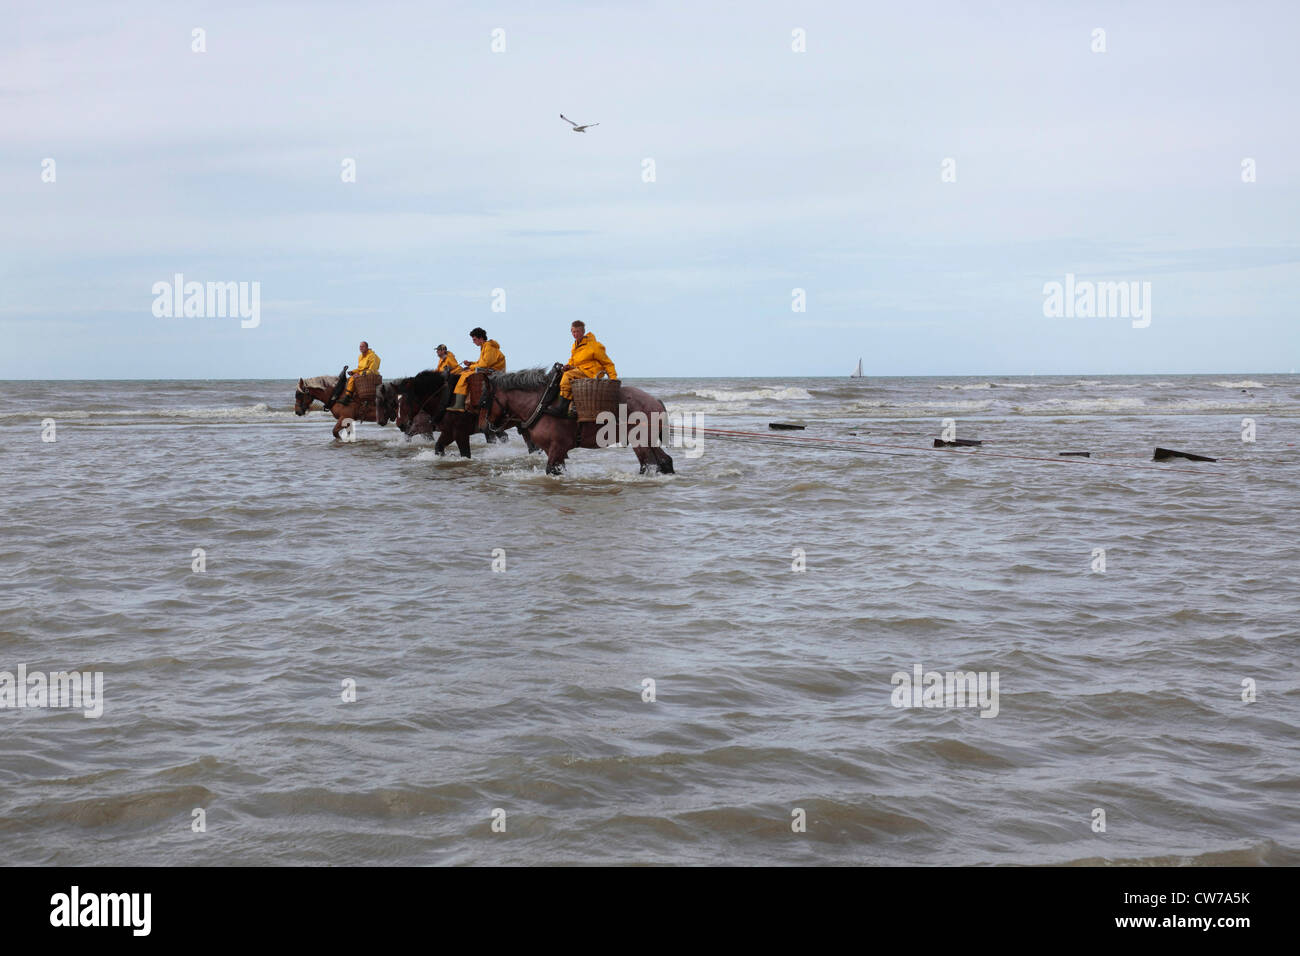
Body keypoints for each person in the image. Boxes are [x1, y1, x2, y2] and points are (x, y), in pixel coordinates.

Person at [545, 320, 616, 417]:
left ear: (583, 332)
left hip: (591, 372)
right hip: (579, 371)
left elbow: (608, 363)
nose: (575, 334)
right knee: (559, 374)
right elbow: (573, 361)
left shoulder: (594, 346)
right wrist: (568, 366)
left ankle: (562, 408)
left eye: (577, 331)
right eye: (573, 332)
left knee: (568, 376)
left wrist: (613, 379)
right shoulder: (575, 345)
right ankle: (554, 403)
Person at [448, 328, 506, 411]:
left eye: (474, 339)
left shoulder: (489, 347)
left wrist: (471, 367)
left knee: (465, 375)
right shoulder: (484, 347)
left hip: (495, 372)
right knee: (463, 373)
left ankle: (460, 404)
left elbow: (485, 364)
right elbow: (481, 362)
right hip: (489, 370)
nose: (473, 342)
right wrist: (471, 363)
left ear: (481, 338)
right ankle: (461, 401)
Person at [332, 341, 380, 407]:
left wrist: (361, 374)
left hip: (370, 374)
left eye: (362, 346)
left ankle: (347, 397)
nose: (360, 348)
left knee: (353, 378)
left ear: (367, 347)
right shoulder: (360, 356)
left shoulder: (372, 356)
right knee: (349, 379)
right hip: (362, 373)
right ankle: (350, 397)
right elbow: (359, 368)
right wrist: (353, 372)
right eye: (360, 346)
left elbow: (372, 369)